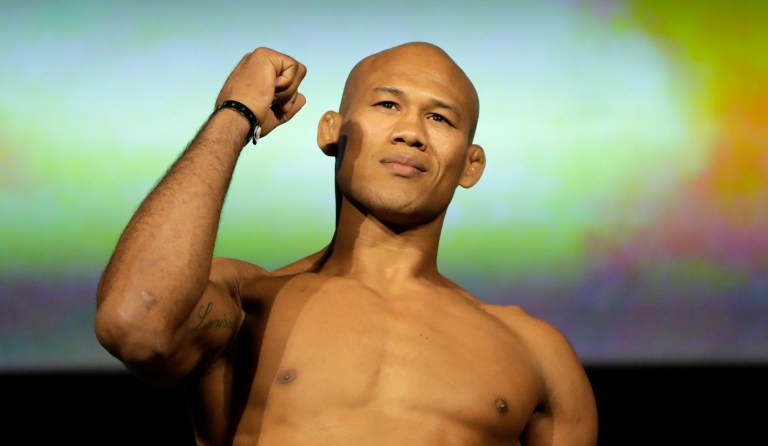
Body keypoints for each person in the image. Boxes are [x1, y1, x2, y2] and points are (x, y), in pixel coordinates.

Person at [95, 42, 598, 445]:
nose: (411, 132)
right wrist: (234, 113)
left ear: (471, 164)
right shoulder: (245, 304)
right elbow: (135, 324)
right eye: (387, 104)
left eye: (440, 118)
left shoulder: (536, 352)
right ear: (331, 131)